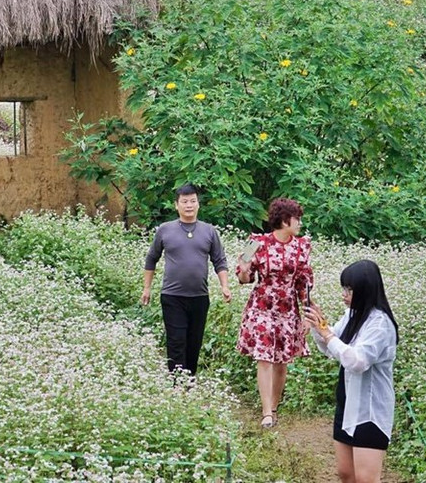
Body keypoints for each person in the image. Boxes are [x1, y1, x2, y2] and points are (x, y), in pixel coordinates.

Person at [304, 260, 399, 483]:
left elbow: (357, 361)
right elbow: (331, 347)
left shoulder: (380, 325)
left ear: (365, 290)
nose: (344, 294)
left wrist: (327, 334)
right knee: (346, 474)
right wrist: (321, 326)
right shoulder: (352, 315)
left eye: (349, 289)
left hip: (370, 410)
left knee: (366, 479)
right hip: (347, 403)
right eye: (344, 288)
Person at [235, 197, 313, 428]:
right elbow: (242, 276)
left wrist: (308, 313)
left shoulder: (303, 246)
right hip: (261, 306)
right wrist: (246, 270)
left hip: (288, 308)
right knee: (264, 357)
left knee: (281, 360)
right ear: (284, 220)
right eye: (296, 218)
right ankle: (266, 411)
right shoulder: (255, 242)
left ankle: (275, 406)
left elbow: (304, 282)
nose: (299, 223)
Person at [141, 184, 232, 376]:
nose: (189, 205)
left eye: (192, 201)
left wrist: (225, 286)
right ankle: (177, 382)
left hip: (199, 296)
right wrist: (146, 288)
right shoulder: (165, 230)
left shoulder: (209, 231)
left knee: (194, 340)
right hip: (172, 296)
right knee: (176, 339)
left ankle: (189, 380)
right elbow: (151, 259)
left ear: (198, 204)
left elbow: (219, 260)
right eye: (184, 202)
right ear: (176, 205)